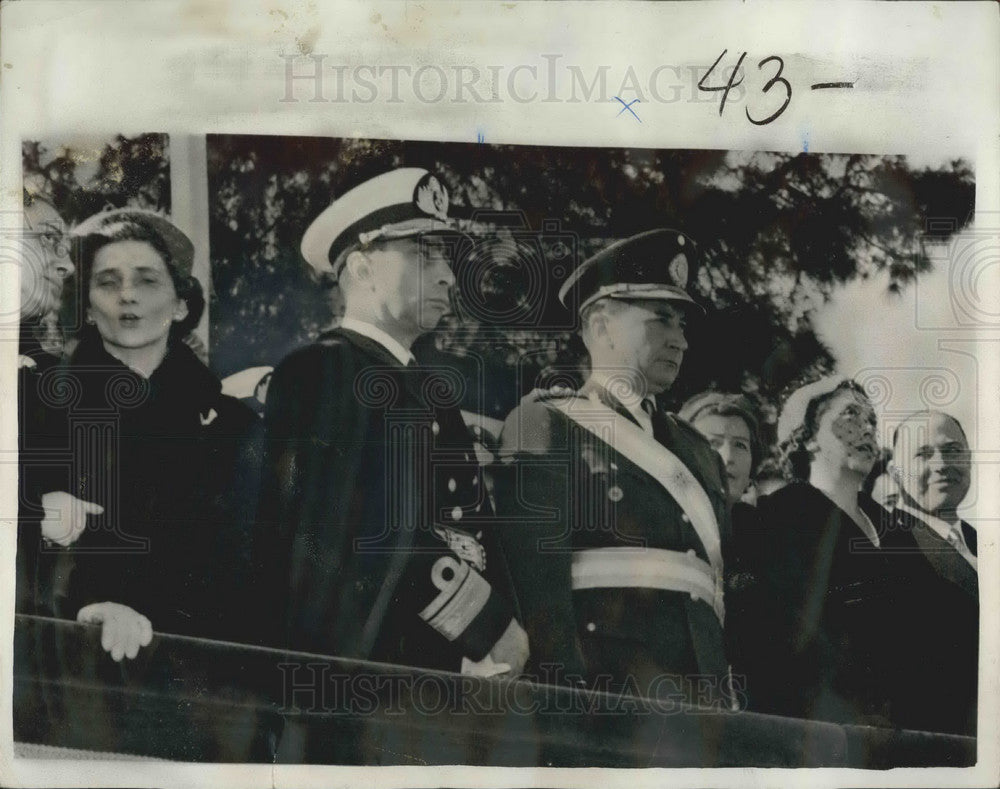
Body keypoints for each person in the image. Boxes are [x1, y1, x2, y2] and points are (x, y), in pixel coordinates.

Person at [253, 168, 527, 678]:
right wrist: (486, 622)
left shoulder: (428, 390)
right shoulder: (322, 371)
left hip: (445, 673)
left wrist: (501, 626)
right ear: (361, 270)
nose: (448, 275)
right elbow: (351, 527)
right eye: (425, 255)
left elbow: (472, 531)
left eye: (446, 257)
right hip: (365, 679)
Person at [492, 229, 733, 707]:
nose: (680, 340)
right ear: (600, 328)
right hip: (608, 697)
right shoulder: (545, 424)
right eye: (661, 319)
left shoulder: (698, 450)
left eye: (682, 324)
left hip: (702, 702)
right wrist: (566, 700)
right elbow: (538, 588)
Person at [43, 208, 256, 660]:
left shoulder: (232, 425)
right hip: (81, 673)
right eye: (107, 282)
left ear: (181, 303)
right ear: (85, 306)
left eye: (146, 280)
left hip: (210, 682)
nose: (126, 297)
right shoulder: (42, 410)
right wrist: (85, 607)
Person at [741, 377, 925, 726]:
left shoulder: (896, 531)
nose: (867, 429)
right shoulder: (776, 519)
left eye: (871, 420)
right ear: (808, 437)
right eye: (850, 416)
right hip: (818, 732)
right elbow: (768, 644)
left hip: (904, 735)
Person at [16, 189, 101, 617]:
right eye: (48, 239)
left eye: (65, 248)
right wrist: (32, 512)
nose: (65, 265)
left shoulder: (59, 380)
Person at [885, 410, 977, 736]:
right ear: (895, 474)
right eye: (923, 454)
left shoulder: (984, 545)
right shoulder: (886, 547)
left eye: (952, 451)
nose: (941, 464)